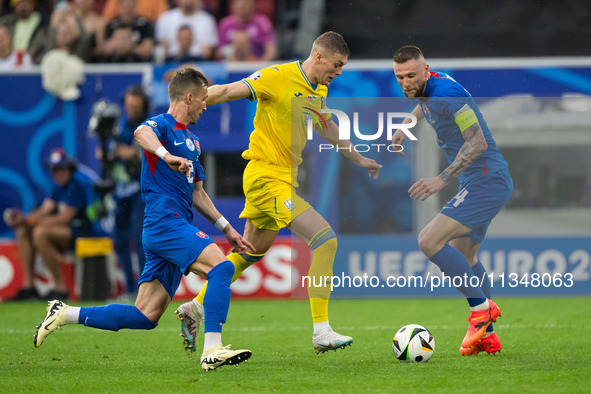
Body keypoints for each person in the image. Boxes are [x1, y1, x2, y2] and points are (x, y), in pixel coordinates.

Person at [175, 31, 382, 355]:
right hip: (264, 177)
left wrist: (357, 158)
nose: (339, 71)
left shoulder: (319, 88)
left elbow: (325, 123)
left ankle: (195, 307)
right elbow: (230, 90)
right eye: (337, 64)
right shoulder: (277, 76)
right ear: (318, 57)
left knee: (251, 253)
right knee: (325, 240)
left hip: (283, 179)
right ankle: (321, 330)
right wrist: (193, 101)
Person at [34, 67, 254, 372]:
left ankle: (64, 313)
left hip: (171, 225)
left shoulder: (192, 140)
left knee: (145, 316)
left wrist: (226, 228)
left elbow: (197, 193)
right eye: (203, 99)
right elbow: (140, 133)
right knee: (222, 269)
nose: (206, 105)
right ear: (188, 97)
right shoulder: (161, 125)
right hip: (165, 223)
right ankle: (212, 348)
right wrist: (166, 156)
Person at [391, 45, 513, 355]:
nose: (406, 82)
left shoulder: (447, 92)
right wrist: (406, 126)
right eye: (400, 77)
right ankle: (487, 335)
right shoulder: (428, 88)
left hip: (486, 180)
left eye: (411, 75)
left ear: (426, 69)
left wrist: (440, 180)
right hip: (481, 180)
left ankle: (481, 312)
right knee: (467, 259)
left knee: (429, 241)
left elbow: (478, 141)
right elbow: (425, 106)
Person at [3, 149, 98, 300]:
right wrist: (25, 219)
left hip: (85, 232)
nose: (58, 173)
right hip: (69, 231)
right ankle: (29, 287)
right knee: (23, 230)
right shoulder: (58, 185)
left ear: (69, 168)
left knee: (40, 233)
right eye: (55, 169)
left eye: (61, 169)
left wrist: (31, 220)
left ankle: (60, 288)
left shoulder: (76, 184)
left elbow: (64, 218)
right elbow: (45, 210)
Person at [110, 85, 148, 299]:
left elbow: (152, 156)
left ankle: (144, 290)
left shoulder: (150, 126)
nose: (131, 110)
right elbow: (110, 157)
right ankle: (129, 288)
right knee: (119, 240)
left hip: (140, 191)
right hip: (120, 190)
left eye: (135, 107)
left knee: (140, 239)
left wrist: (129, 153)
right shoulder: (119, 127)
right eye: (129, 106)